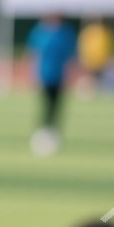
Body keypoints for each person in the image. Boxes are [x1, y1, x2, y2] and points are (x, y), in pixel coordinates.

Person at [26, 14, 77, 156]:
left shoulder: (65, 33)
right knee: (44, 106)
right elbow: (34, 54)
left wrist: (70, 74)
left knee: (57, 107)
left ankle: (54, 133)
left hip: (59, 76)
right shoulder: (39, 32)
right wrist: (34, 75)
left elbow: (70, 56)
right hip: (45, 75)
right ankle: (42, 132)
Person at [77, 17, 112, 94]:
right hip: (90, 60)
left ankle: (99, 92)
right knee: (90, 78)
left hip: (100, 60)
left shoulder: (103, 32)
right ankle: (89, 91)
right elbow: (83, 46)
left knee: (99, 78)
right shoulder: (87, 32)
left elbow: (107, 47)